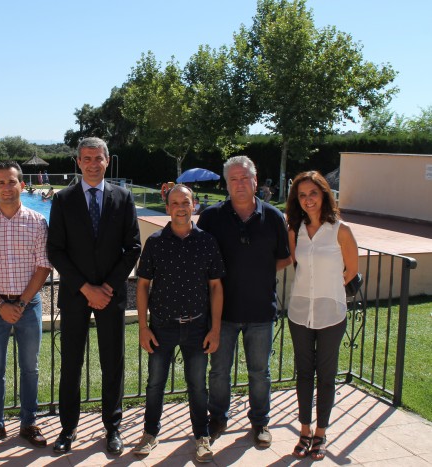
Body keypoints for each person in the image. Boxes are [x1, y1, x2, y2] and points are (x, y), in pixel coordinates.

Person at [47, 137, 141, 454]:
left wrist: (107, 288)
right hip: (75, 296)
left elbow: (133, 248)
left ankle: (113, 428)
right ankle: (68, 429)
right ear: (78, 162)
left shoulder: (123, 198)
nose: (91, 164)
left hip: (111, 296)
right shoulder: (63, 200)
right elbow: (55, 251)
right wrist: (86, 288)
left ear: (107, 160)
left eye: (97, 158)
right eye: (86, 158)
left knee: (112, 363)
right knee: (71, 364)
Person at [197, 155, 291, 448]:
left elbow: (285, 257)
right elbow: (200, 260)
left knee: (259, 372)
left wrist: (257, 272)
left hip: (261, 310)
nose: (239, 184)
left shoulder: (274, 217)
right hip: (221, 313)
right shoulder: (211, 217)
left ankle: (260, 422)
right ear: (226, 184)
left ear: (255, 179)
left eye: (244, 177)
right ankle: (218, 419)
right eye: (233, 179)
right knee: (219, 371)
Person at [132, 185, 225, 463]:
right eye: (175, 203)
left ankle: (201, 437)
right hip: (162, 326)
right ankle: (150, 433)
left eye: (186, 202)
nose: (181, 207)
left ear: (194, 205)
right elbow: (143, 285)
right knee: (155, 384)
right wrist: (143, 327)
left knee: (197, 385)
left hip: (197, 326)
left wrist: (215, 328)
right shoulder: (156, 242)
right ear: (167, 207)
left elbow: (216, 287)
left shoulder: (207, 241)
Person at [0, 161, 52, 449]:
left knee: (30, 368)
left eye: (12, 181)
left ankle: (29, 422)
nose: (7, 187)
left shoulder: (37, 222)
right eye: (1, 182)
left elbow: (43, 266)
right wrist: (0, 303)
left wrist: (20, 302)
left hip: (28, 307)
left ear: (22, 184)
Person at [285, 171, 359, 461]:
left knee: (326, 376)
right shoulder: (295, 230)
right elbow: (294, 263)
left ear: (324, 194)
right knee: (304, 373)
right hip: (300, 312)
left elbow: (350, 270)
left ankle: (320, 433)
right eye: (302, 195)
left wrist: (328, 289)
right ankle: (304, 431)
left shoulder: (341, 231)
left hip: (331, 314)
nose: (308, 200)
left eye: (313, 194)